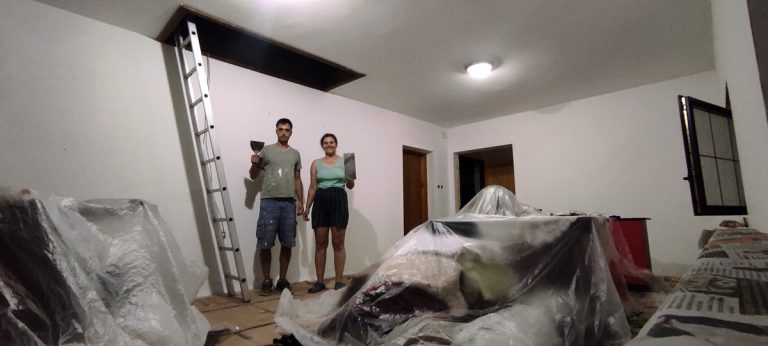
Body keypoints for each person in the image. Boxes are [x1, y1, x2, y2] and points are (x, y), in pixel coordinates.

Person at [249, 118, 304, 295]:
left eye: (287, 130)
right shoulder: (265, 151)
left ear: (291, 132)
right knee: (265, 243)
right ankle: (266, 281)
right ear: (276, 131)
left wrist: (300, 201)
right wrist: (254, 164)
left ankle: (282, 280)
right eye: (280, 129)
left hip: (289, 202)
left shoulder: (295, 154)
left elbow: (297, 179)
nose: (283, 132)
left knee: (287, 243)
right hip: (269, 201)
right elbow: (253, 175)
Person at [303, 133, 355, 293]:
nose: (329, 144)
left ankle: (339, 281)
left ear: (336, 144)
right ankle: (319, 282)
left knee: (338, 243)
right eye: (326, 143)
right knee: (320, 244)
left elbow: (350, 185)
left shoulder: (347, 161)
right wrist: (307, 207)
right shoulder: (316, 163)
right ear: (322, 145)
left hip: (339, 199)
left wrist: (350, 177)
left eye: (331, 142)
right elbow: (313, 186)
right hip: (321, 201)